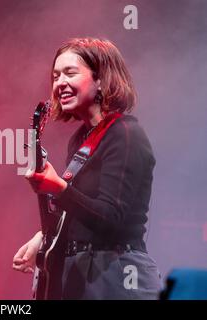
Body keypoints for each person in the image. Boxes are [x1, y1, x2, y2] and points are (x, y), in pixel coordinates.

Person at [12, 37, 162, 299]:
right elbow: (83, 210)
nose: (60, 83)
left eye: (70, 73)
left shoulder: (126, 133)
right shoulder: (80, 138)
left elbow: (111, 217)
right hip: (82, 274)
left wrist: (58, 189)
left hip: (116, 276)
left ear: (101, 79)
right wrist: (47, 235)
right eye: (56, 76)